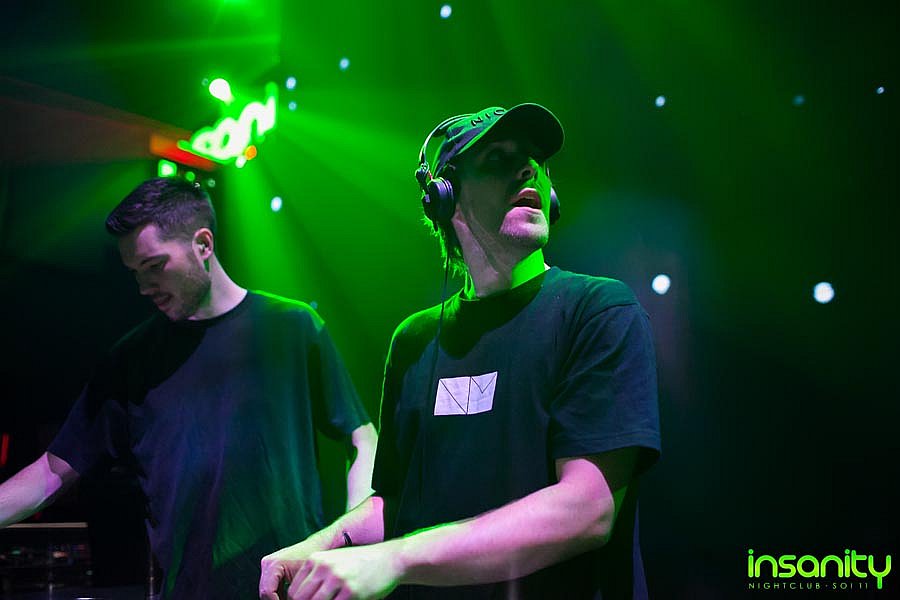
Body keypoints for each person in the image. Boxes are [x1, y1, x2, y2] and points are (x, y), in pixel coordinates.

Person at [259, 104, 661, 599]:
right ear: (443, 197)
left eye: (535, 160)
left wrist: (396, 558)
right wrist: (316, 548)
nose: (526, 169)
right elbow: (395, 504)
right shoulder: (414, 341)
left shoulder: (598, 311)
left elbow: (587, 509)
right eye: (498, 158)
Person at [0, 177, 378, 599]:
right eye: (135, 273)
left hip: (291, 591)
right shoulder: (130, 361)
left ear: (203, 244)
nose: (144, 287)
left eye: (154, 266)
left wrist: (348, 542)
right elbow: (51, 473)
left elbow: (363, 438)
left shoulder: (292, 327)